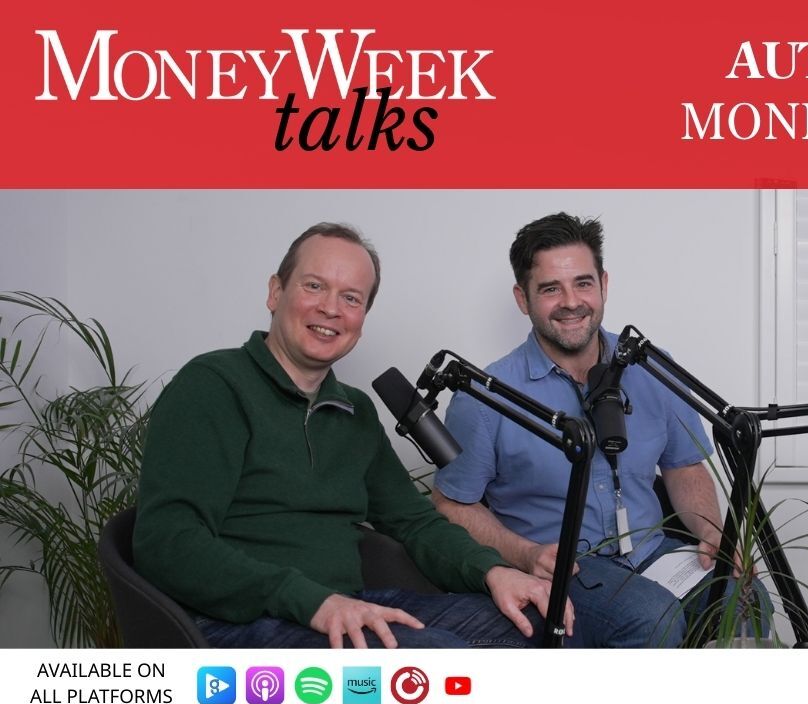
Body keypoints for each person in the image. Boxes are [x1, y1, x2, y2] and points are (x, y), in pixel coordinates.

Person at [133, 222, 571, 649]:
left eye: (351, 297)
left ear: (362, 317)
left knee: (536, 625)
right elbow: (167, 541)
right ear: (275, 292)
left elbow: (413, 521)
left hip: (348, 606)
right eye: (314, 286)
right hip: (240, 621)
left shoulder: (354, 409)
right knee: (435, 663)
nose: (330, 308)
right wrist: (311, 601)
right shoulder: (213, 385)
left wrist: (494, 571)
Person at [433, 212, 740, 648]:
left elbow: (684, 468)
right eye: (550, 289)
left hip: (654, 553)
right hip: (566, 567)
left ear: (604, 284)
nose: (571, 301)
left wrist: (710, 531)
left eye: (582, 283)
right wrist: (523, 554)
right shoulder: (485, 397)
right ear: (523, 299)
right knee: (649, 618)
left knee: (743, 597)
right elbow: (451, 503)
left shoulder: (654, 369)